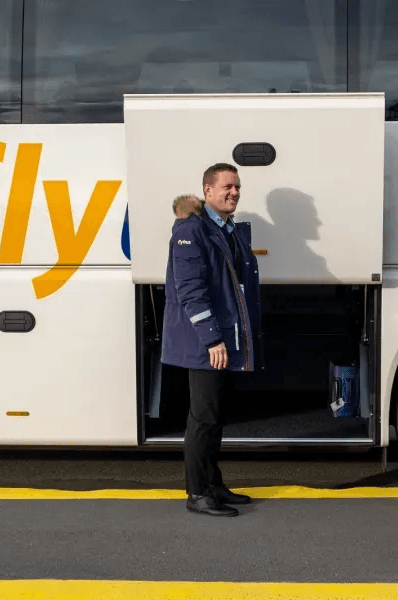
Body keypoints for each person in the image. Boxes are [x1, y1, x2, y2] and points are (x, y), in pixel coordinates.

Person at [161, 163, 262, 517]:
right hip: (204, 343)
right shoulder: (193, 229)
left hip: (220, 341)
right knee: (202, 418)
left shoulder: (225, 228)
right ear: (207, 191)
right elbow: (191, 290)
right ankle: (198, 492)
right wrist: (212, 340)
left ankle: (213, 484)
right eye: (226, 187)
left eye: (237, 187)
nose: (233, 192)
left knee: (214, 415)